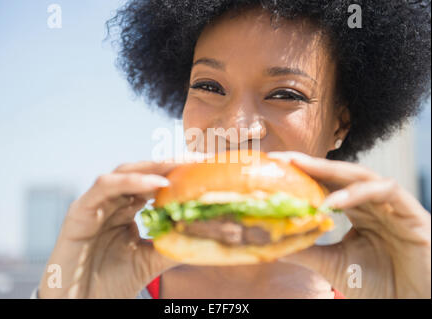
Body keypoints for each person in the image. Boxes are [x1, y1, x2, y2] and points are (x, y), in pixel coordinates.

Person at [35, 0, 431, 298]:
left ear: (339, 126)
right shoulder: (113, 285)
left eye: (284, 93)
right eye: (209, 86)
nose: (237, 128)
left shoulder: (386, 287)